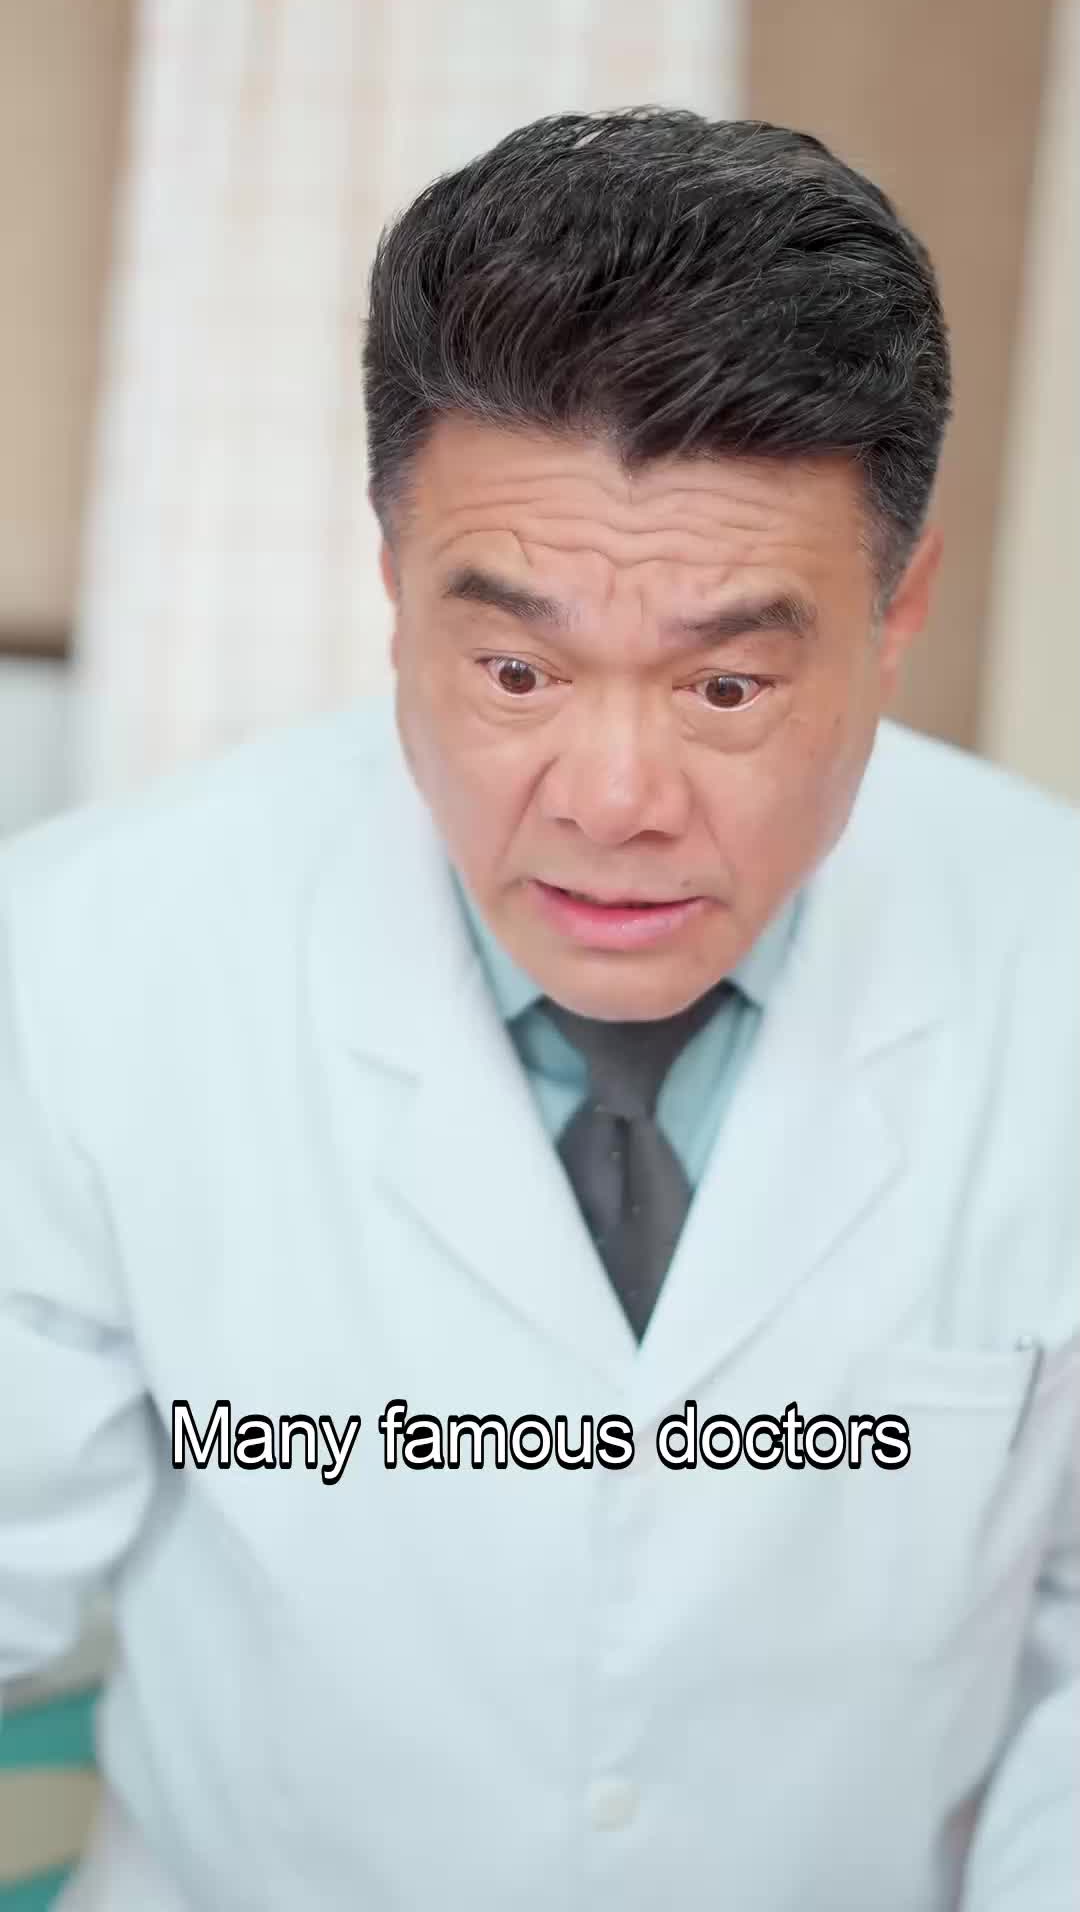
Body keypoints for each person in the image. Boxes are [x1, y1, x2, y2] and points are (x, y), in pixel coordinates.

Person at [0, 108, 1076, 1912]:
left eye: (726, 686)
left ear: (898, 611)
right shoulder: (89, 957)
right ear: (391, 584)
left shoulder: (1056, 966)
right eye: (515, 667)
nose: (613, 798)